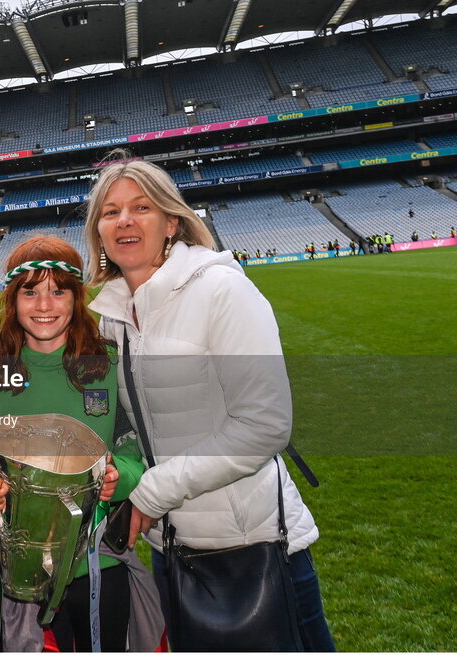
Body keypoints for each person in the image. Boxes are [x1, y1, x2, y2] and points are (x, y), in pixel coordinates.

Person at [84, 158, 335, 651]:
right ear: (98, 231)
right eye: (110, 212)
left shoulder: (222, 289)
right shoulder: (110, 315)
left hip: (250, 544)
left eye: (141, 207)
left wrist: (150, 492)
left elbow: (264, 426)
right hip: (170, 547)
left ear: (171, 222)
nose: (124, 221)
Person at [0, 236, 149, 652]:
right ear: (12, 298)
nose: (44, 305)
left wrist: (121, 476)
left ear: (78, 298)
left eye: (58, 291)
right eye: (31, 291)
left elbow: (135, 443)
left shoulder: (109, 362)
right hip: (21, 571)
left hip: (99, 560)